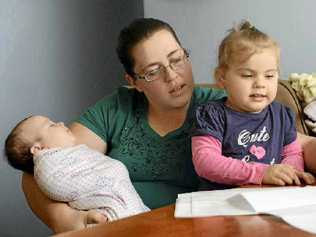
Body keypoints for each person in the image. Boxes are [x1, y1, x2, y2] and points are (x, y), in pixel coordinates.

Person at [20, 17, 316, 233]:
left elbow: (299, 146)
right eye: (153, 71)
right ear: (133, 82)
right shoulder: (116, 109)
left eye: (177, 60)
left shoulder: (227, 106)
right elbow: (41, 166)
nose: (173, 76)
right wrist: (66, 221)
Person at [191, 21, 315, 189]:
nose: (260, 84)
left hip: (270, 199)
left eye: (269, 76)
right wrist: (262, 173)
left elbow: (293, 152)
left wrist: (290, 174)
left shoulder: (281, 114)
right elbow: (205, 162)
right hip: (223, 203)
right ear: (222, 78)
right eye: (248, 75)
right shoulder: (212, 115)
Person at [5, 115, 149, 222]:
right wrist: (106, 177)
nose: (61, 123)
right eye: (52, 125)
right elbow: (58, 185)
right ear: (38, 149)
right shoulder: (48, 165)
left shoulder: (70, 155)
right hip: (110, 210)